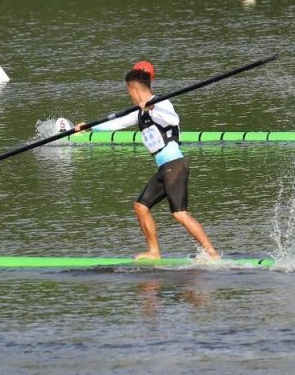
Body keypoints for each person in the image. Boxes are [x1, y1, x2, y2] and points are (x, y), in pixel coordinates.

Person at [75, 62, 219, 260]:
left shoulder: (161, 103)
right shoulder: (138, 111)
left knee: (179, 213)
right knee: (141, 207)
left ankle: (211, 253)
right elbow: (116, 123)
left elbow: (174, 120)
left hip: (174, 164)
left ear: (134, 88)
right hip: (165, 168)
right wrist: (90, 127)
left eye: (129, 91)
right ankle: (154, 252)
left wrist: (152, 109)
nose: (129, 95)